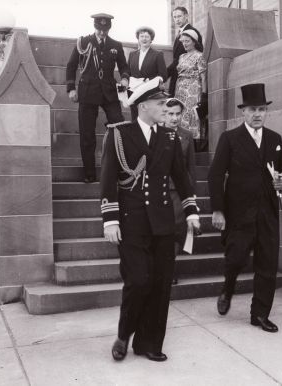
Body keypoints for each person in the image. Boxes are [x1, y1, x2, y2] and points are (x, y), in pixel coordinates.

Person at [101, 78, 200, 361]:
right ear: (143, 106)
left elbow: (181, 178)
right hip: (131, 223)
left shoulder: (169, 137)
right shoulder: (119, 134)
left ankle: (150, 343)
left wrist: (191, 211)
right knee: (139, 280)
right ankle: (124, 335)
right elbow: (108, 179)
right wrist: (110, 220)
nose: (164, 107)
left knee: (160, 283)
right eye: (159, 103)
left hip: (163, 223)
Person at [207, 83, 282, 333]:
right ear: (243, 112)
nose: (258, 114)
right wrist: (218, 210)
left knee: (267, 265)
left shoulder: (275, 139)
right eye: (253, 109)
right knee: (235, 260)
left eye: (262, 109)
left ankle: (260, 315)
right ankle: (228, 288)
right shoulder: (230, 138)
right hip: (239, 215)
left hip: (267, 213)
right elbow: (215, 175)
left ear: (266, 112)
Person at [66, 13, 129, 183]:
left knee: (120, 128)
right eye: (99, 29)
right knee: (87, 134)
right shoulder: (83, 43)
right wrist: (71, 89)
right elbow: (71, 66)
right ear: (95, 27)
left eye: (105, 29)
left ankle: (122, 171)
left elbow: (124, 66)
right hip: (87, 93)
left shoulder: (116, 45)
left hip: (109, 93)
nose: (102, 33)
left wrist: (124, 78)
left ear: (109, 28)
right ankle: (89, 174)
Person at [163, 98, 197, 284]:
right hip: (159, 190)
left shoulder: (186, 136)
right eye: (170, 114)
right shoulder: (155, 133)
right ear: (164, 114)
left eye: (177, 114)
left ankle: (170, 269)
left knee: (176, 229)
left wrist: (192, 194)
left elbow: (191, 167)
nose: (174, 118)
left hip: (178, 191)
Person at [127, 26, 167, 120]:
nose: (144, 39)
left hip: (149, 94)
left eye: (147, 36)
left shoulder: (157, 54)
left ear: (151, 39)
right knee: (135, 120)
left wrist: (153, 81)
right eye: (141, 36)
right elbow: (128, 72)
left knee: (148, 120)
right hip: (134, 93)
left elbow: (163, 75)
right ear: (138, 38)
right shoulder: (132, 54)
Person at [174, 29, 207, 140]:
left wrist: (204, 95)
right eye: (183, 41)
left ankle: (192, 142)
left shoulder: (200, 56)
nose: (184, 44)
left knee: (191, 114)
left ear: (194, 42)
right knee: (180, 113)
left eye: (187, 41)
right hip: (180, 89)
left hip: (193, 88)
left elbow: (203, 77)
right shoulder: (181, 57)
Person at [167, 6, 202, 97]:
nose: (177, 20)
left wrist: (164, 75)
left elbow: (198, 56)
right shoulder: (179, 34)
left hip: (189, 84)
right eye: (174, 17)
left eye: (179, 16)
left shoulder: (193, 32)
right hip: (178, 79)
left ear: (186, 16)